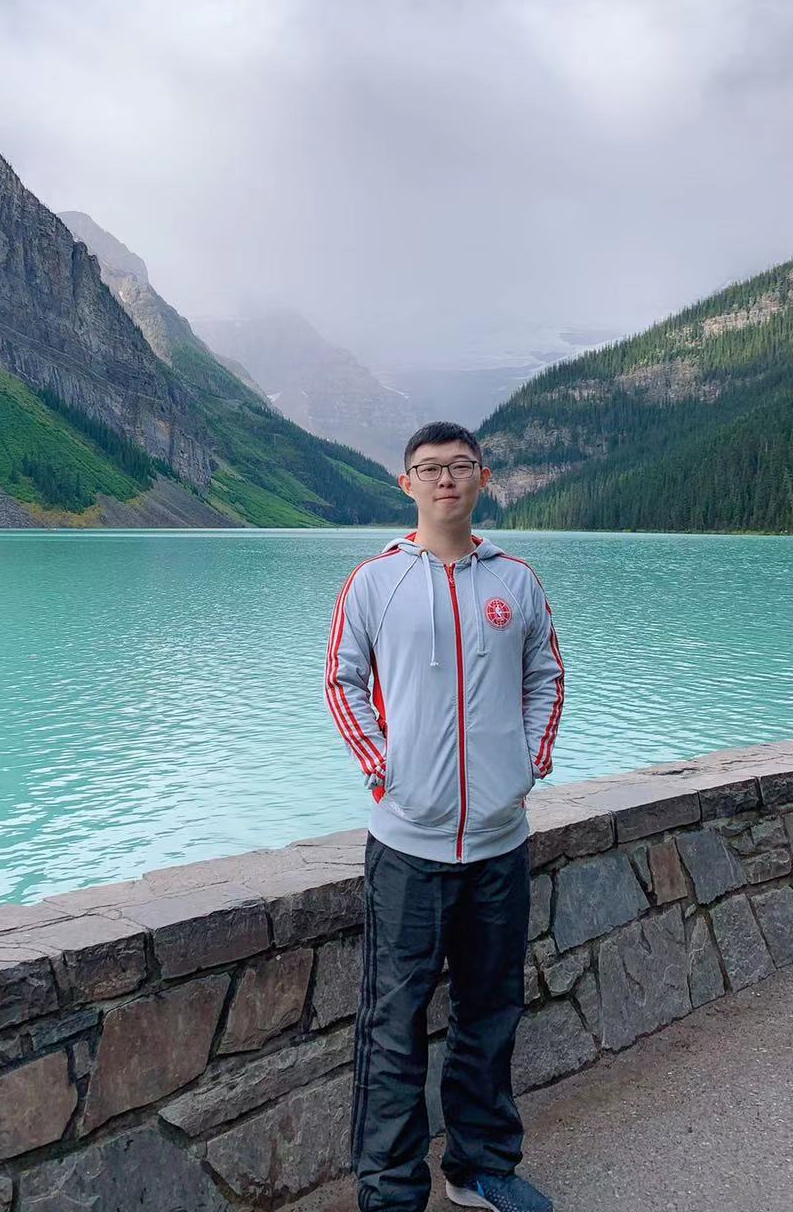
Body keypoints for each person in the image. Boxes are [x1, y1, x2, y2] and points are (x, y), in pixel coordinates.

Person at [324, 421, 564, 1212]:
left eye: (461, 466)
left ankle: (479, 1168)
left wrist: (529, 761)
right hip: (407, 846)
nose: (446, 480)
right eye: (430, 469)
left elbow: (547, 676)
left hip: (499, 842)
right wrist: (381, 766)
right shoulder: (374, 583)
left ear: (483, 479)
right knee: (393, 1026)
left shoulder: (516, 582)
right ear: (407, 485)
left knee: (490, 1012)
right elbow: (341, 681)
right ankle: (392, 1194)